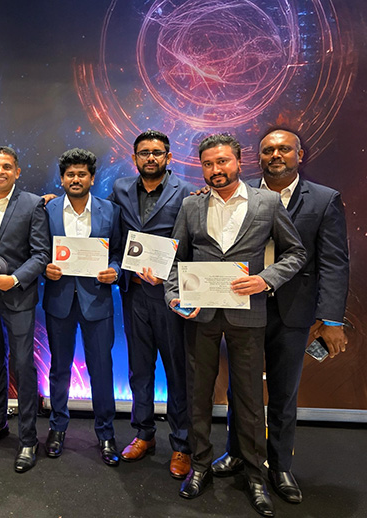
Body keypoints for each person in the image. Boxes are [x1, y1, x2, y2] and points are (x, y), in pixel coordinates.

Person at [165, 133, 305, 517]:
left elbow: (296, 253)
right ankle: (199, 465)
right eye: (208, 164)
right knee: (198, 395)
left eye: (222, 161)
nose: (216, 170)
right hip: (200, 315)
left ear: (239, 162)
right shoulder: (191, 205)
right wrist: (174, 296)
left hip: (248, 313)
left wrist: (266, 280)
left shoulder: (267, 202)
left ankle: (256, 476)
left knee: (249, 399)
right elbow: (175, 259)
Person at [211, 129, 349, 504]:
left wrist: (331, 319)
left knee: (284, 392)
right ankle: (237, 452)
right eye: (268, 150)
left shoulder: (323, 200)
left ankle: (280, 465)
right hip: (244, 306)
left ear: (299, 155)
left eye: (284, 149)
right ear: (258, 158)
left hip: (293, 311)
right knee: (241, 388)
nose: (276, 155)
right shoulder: (238, 195)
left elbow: (334, 263)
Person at [108, 130, 193, 478]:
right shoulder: (120, 189)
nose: (151, 158)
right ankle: (144, 434)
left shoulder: (187, 192)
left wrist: (168, 277)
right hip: (134, 294)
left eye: (157, 152)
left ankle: (182, 443)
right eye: (144, 153)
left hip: (170, 295)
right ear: (135, 158)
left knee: (177, 370)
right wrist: (54, 201)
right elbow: (105, 222)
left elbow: (192, 244)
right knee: (139, 369)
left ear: (169, 157)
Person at [0, 146, 50, 473]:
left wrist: (14, 279)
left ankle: (28, 438)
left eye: (6, 166)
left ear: (17, 172)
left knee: (23, 365)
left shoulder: (32, 204)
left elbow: (41, 254)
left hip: (18, 297)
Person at [42, 148, 123, 467]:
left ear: (92, 178)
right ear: (62, 179)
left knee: (102, 370)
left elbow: (118, 252)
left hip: (98, 301)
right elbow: (37, 250)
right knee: (59, 369)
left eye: (82, 174)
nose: (75, 179)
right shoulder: (46, 209)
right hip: (59, 300)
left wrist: (115, 270)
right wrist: (45, 268)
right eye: (70, 174)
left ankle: (106, 433)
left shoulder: (110, 210)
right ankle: (57, 428)